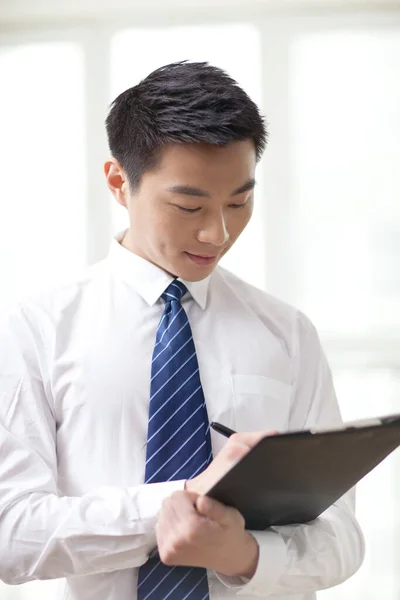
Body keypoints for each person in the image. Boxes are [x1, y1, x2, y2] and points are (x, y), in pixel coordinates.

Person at [0, 61, 364, 600]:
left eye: (239, 202)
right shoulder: (36, 329)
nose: (217, 232)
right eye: (188, 204)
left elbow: (343, 539)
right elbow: (12, 537)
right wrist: (177, 506)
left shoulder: (286, 333)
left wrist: (245, 555)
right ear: (119, 183)